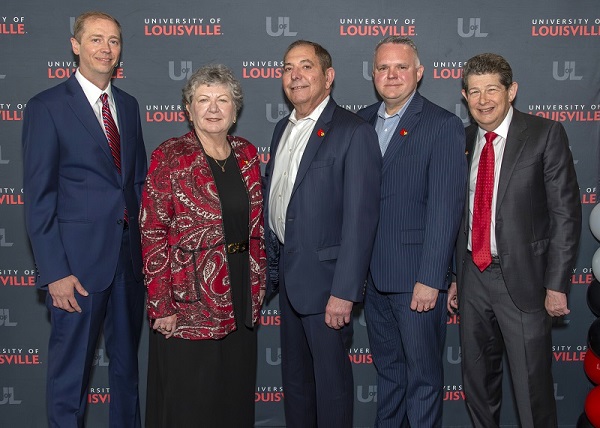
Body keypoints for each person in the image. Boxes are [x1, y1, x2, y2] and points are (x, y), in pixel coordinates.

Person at [22, 11, 147, 428]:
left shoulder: (127, 106)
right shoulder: (47, 107)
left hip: (128, 264)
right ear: (76, 45)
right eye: (95, 39)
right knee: (70, 377)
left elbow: (136, 183)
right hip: (75, 269)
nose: (105, 49)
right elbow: (39, 199)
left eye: (113, 41)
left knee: (127, 374)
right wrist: (54, 271)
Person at [449, 53, 582, 427]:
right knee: (477, 387)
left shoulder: (544, 133)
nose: (483, 99)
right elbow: (460, 216)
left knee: (532, 391)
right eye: (474, 91)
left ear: (512, 91)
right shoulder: (462, 140)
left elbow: (565, 215)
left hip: (524, 282)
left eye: (492, 88)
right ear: (464, 96)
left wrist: (556, 285)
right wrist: (457, 277)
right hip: (473, 278)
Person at [140, 64, 266, 428]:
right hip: (188, 297)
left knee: (234, 395)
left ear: (235, 109)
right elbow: (152, 233)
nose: (213, 108)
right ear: (188, 109)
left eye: (222, 100)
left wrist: (257, 288)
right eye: (203, 100)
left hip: (241, 289)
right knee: (191, 401)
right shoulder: (171, 155)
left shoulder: (246, 153)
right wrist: (161, 303)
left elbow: (257, 228)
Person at [263, 40, 381, 427]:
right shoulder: (283, 128)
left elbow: (361, 221)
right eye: (288, 67)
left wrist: (344, 292)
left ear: (328, 77)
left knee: (331, 388)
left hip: (328, 287)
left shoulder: (353, 132)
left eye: (306, 66)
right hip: (290, 284)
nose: (295, 75)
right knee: (296, 386)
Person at [357, 36, 467, 427]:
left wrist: (431, 278)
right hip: (371, 278)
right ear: (373, 75)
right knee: (388, 376)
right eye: (383, 68)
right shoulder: (361, 122)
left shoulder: (443, 125)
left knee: (422, 379)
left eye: (401, 67)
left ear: (419, 74)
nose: (391, 75)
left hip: (416, 280)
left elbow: (446, 208)